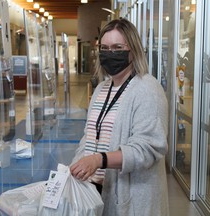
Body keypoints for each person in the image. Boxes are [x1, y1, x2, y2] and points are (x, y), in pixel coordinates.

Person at [70, 18, 169, 216]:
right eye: (105, 48)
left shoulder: (148, 89)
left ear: (133, 50)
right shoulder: (101, 89)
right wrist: (78, 164)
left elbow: (147, 149)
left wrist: (99, 160)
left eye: (117, 47)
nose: (110, 54)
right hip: (96, 193)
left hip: (132, 201)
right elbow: (90, 135)